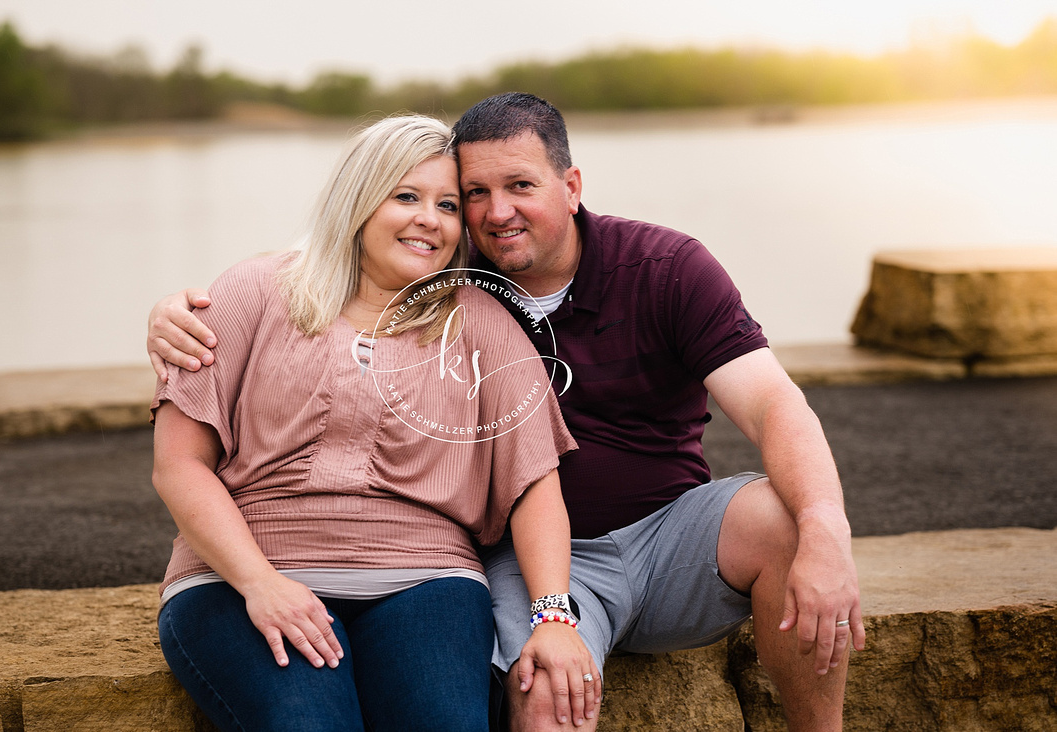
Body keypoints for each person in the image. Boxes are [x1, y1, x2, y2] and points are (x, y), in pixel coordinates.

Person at [148, 94, 865, 732]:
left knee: (786, 521)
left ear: (571, 185)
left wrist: (827, 529)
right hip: (417, 566)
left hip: (603, 545)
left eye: (509, 188)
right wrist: (167, 314)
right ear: (363, 198)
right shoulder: (298, 290)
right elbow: (187, 455)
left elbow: (769, 407)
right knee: (518, 692)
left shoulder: (604, 283)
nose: (487, 214)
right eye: (466, 195)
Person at [149, 114, 598, 732]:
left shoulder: (482, 320)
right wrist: (260, 583)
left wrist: (553, 618)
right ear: (358, 200)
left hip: (428, 579)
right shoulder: (253, 291)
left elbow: (533, 485)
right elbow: (179, 463)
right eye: (406, 196)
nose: (429, 219)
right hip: (242, 576)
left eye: (447, 205)